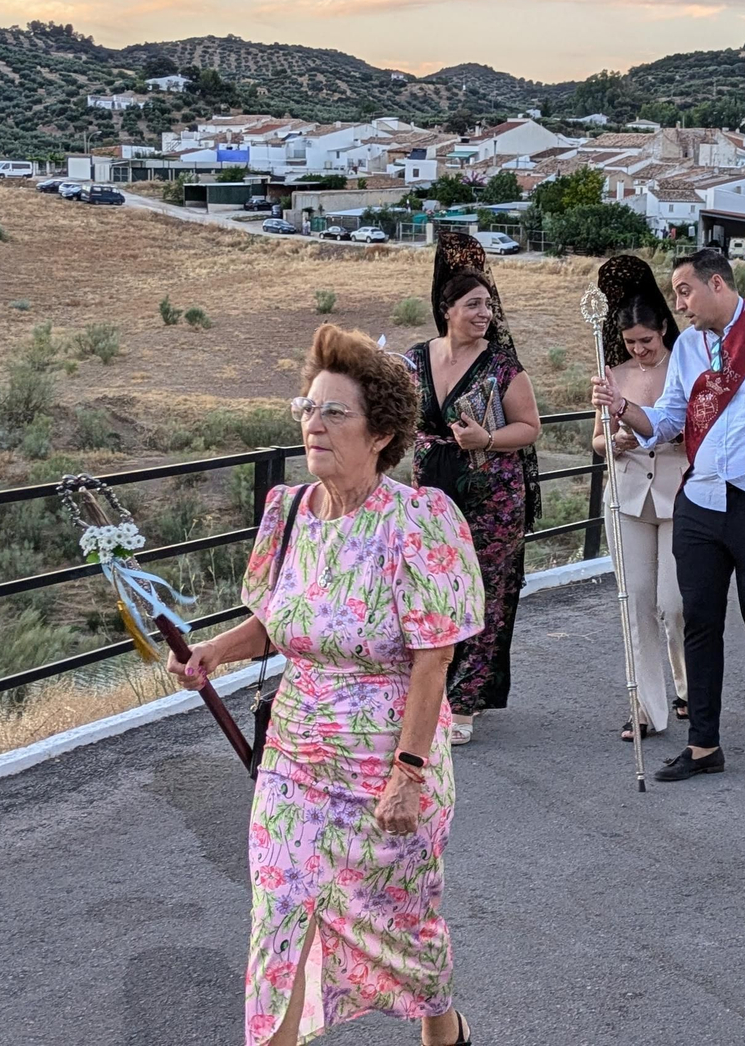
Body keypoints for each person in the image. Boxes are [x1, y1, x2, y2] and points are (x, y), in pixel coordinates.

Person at [170, 325, 484, 1046]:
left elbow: (433, 660)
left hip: (387, 769)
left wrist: (408, 771)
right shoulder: (287, 514)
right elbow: (274, 622)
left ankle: (445, 1029)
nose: (313, 423)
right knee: (278, 913)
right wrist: (212, 653)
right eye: (306, 408)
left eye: (334, 411)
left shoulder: (418, 519)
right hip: (294, 761)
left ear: (380, 434)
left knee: (402, 923)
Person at [591, 247, 745, 782]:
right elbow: (668, 420)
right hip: (701, 500)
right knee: (699, 619)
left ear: (717, 284)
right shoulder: (688, 347)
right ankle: (703, 744)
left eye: (684, 291)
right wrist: (621, 408)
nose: (678, 303)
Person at [407, 232, 542, 745]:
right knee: (435, 593)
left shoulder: (503, 365)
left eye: (488, 304)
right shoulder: (415, 360)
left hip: (492, 502)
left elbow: (530, 428)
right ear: (447, 309)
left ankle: (464, 703)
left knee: (482, 596)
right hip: (430, 499)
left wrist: (487, 438)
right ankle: (431, 692)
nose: (485, 313)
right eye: (473, 304)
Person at [591, 255, 688, 738]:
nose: (640, 350)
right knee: (637, 603)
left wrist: (657, 433)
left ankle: (687, 687)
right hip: (628, 493)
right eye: (632, 343)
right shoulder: (614, 374)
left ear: (663, 331)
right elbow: (595, 440)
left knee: (674, 604)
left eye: (647, 341)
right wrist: (615, 440)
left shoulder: (686, 365)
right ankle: (649, 707)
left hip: (679, 492)